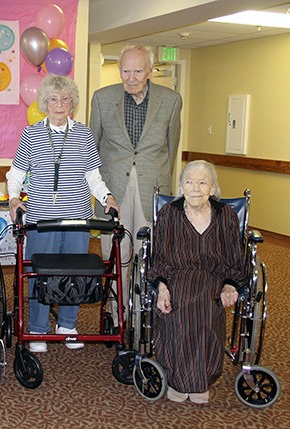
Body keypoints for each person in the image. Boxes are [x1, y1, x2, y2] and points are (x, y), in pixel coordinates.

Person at [7, 74, 119, 353]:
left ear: (73, 103)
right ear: (45, 102)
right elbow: (17, 173)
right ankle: (38, 329)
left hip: (77, 217)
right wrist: (12, 199)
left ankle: (67, 324)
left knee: (74, 271)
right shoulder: (31, 134)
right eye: (53, 99)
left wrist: (107, 197)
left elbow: (93, 175)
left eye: (65, 99)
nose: (59, 105)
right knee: (38, 272)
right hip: (41, 218)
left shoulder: (83, 134)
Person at [89, 45, 183, 328]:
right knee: (117, 254)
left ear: (150, 71)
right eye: (125, 70)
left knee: (150, 253)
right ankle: (120, 317)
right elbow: (92, 148)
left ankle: (147, 315)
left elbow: (171, 147)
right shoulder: (103, 99)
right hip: (113, 190)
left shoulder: (171, 100)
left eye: (137, 71)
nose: (130, 77)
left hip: (151, 188)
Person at [148, 160, 246, 404]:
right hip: (176, 276)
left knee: (205, 307)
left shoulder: (226, 215)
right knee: (179, 307)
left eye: (203, 182)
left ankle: (199, 379)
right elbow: (158, 256)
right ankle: (181, 380)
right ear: (181, 186)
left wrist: (230, 285)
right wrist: (161, 288)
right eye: (189, 182)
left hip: (213, 278)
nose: (195, 188)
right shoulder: (169, 213)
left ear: (213, 188)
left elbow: (235, 257)